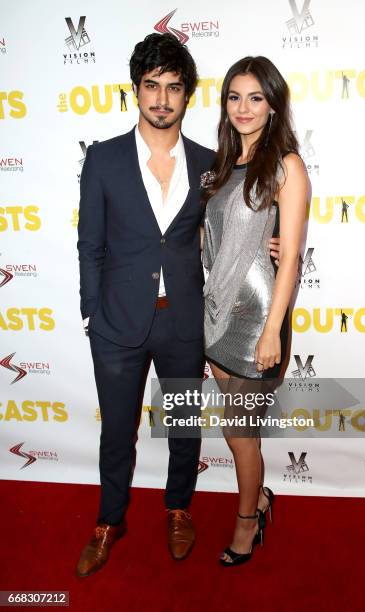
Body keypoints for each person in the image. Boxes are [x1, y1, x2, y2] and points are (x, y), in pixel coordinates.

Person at [76, 33, 280, 576]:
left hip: (185, 321)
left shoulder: (212, 163)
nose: (161, 98)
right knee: (117, 429)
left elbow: (239, 223)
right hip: (117, 323)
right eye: (151, 86)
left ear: (187, 95)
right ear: (135, 91)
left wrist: (275, 242)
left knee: (184, 426)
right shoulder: (103, 159)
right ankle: (108, 520)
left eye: (173, 87)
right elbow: (89, 243)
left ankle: (178, 509)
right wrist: (92, 311)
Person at [202, 56, 308, 566]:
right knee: (233, 428)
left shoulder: (286, 165)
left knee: (241, 433)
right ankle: (260, 498)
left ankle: (248, 521)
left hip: (257, 322)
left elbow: (288, 257)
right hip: (217, 314)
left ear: (273, 104)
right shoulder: (220, 167)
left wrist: (272, 333)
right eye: (234, 97)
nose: (243, 108)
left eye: (255, 98)